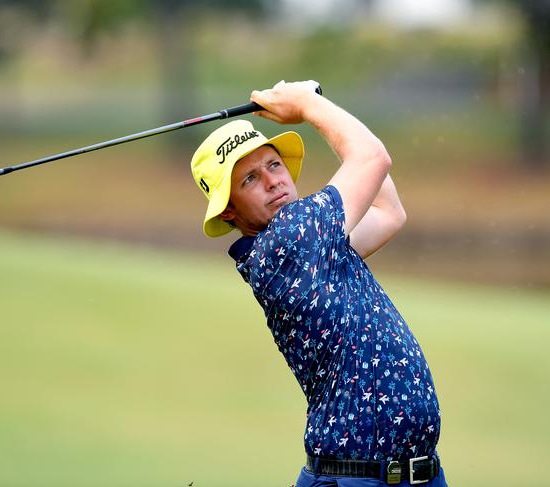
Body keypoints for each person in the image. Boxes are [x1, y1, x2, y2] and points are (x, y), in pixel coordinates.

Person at [190, 80, 448, 487]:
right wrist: (309, 106)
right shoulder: (289, 240)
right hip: (355, 479)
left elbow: (389, 210)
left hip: (413, 475)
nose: (273, 181)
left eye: (274, 165)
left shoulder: (312, 243)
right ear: (228, 213)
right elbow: (373, 157)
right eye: (250, 180)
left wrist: (319, 109)